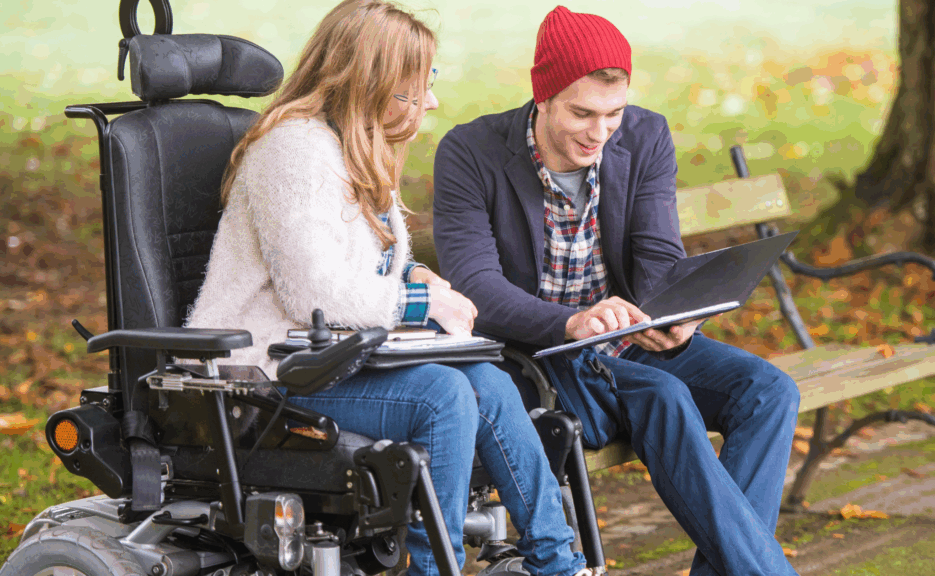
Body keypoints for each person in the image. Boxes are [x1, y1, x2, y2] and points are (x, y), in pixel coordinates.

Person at [185, 2, 591, 575]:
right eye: (416, 87)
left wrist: (412, 274)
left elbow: (352, 259)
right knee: (443, 396)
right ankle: (429, 569)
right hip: (262, 374)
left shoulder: (348, 144)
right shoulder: (293, 150)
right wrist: (423, 302)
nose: (430, 101)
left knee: (491, 385)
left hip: (326, 361)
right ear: (372, 84)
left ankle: (561, 564)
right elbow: (314, 295)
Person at [432, 6, 801, 576]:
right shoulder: (471, 152)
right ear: (544, 94)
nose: (599, 132)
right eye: (582, 113)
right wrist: (572, 322)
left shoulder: (645, 135)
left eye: (613, 114)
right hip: (540, 354)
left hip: (627, 338)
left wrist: (679, 311)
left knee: (769, 391)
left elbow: (657, 256)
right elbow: (477, 285)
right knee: (665, 397)